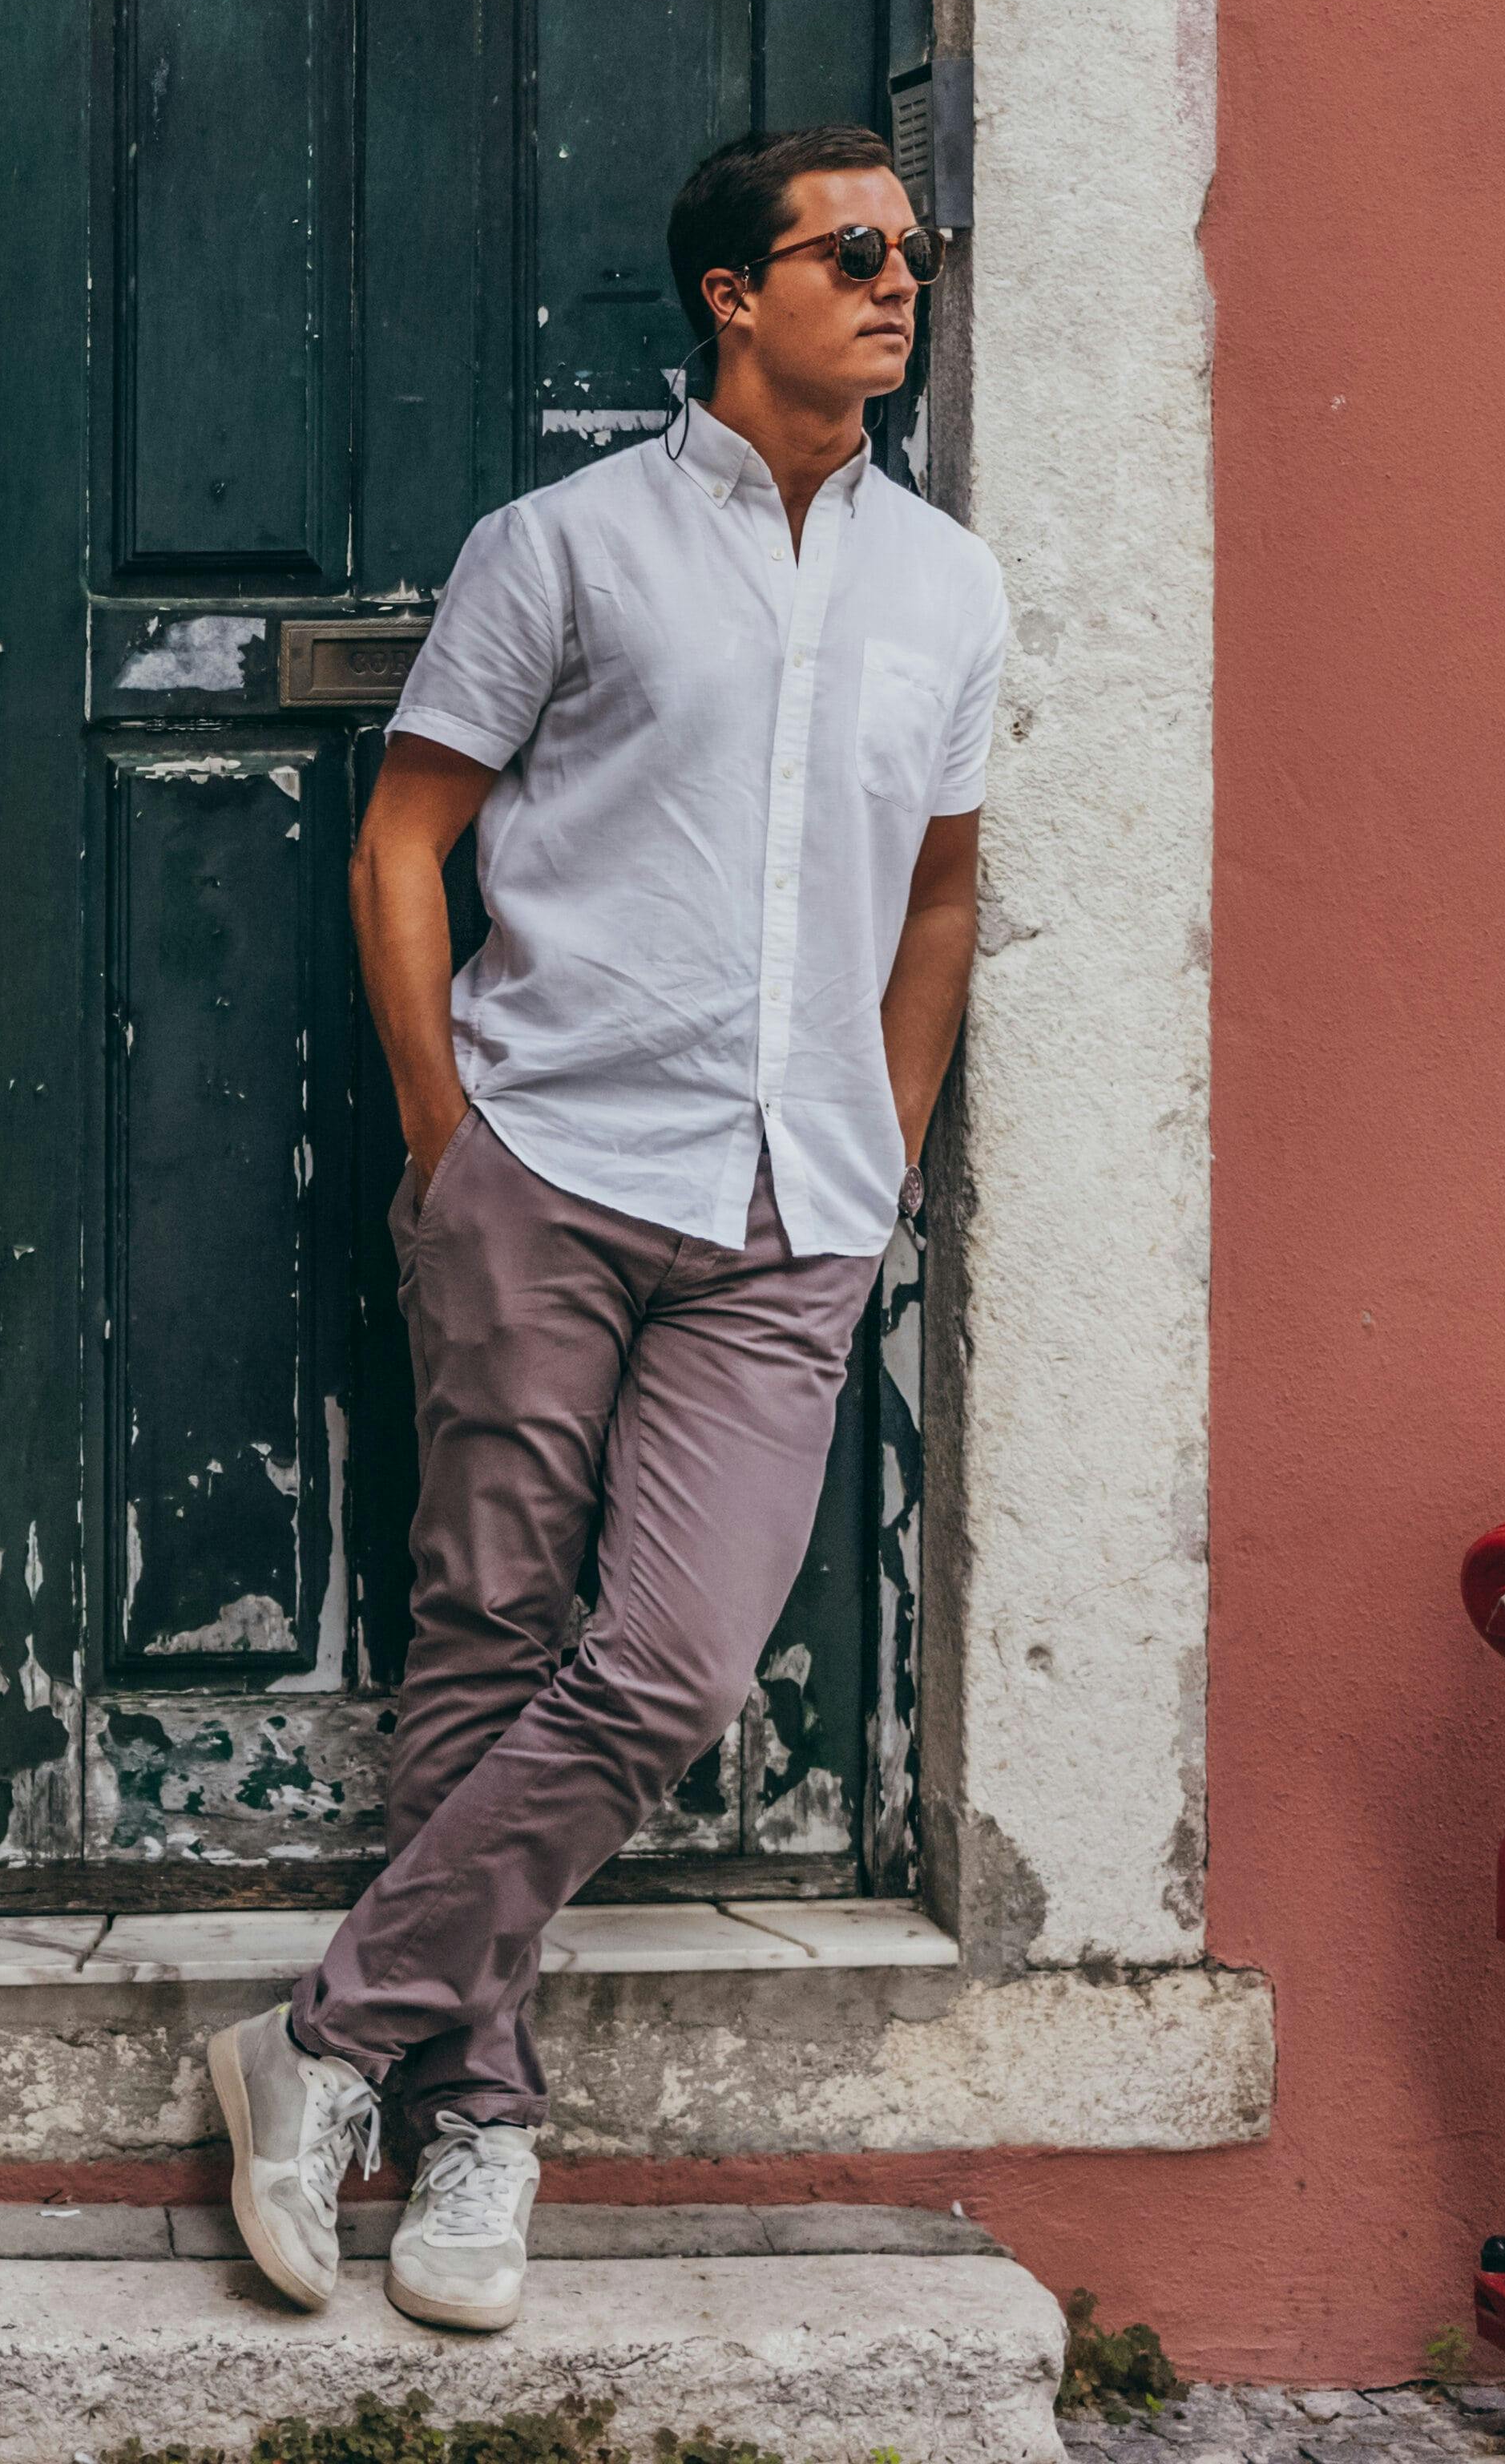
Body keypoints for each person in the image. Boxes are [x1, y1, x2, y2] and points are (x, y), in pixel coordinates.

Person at [207, 127, 1008, 2333]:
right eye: (850, 253)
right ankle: (481, 2121)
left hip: (794, 1211)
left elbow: (938, 889)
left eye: (913, 255)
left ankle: (317, 2039)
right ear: (730, 296)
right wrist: (447, 1138)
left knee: (666, 1660)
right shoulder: (561, 549)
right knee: (483, 1627)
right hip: (548, 1164)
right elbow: (404, 843)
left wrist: (890, 1137)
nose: (895, 284)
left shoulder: (949, 587)